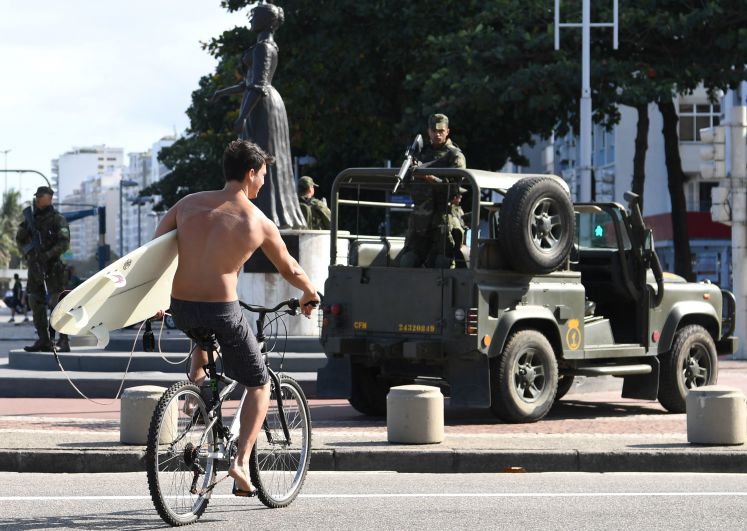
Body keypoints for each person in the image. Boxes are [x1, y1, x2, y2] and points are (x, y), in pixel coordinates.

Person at [153, 139, 320, 498]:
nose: (263, 183)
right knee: (258, 383)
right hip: (222, 311)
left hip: (182, 307)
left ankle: (197, 394)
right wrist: (309, 293)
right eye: (262, 175)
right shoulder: (256, 220)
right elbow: (289, 267)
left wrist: (154, 298)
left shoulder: (187, 204)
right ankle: (241, 463)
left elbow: (156, 250)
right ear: (249, 174)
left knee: (202, 344)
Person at [210, 2, 306, 229]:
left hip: (262, 105)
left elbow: (259, 85)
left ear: (268, 22)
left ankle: (271, 214)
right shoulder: (262, 46)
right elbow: (248, 83)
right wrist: (222, 92)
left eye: (256, 15)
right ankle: (265, 212)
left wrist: (242, 116)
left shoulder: (265, 48)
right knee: (256, 156)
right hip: (258, 103)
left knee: (260, 156)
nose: (251, 19)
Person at [400, 113, 466, 268]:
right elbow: (407, 186)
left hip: (445, 218)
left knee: (441, 264)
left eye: (441, 131)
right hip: (421, 218)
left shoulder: (454, 155)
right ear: (428, 131)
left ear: (447, 131)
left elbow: (456, 187)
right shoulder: (420, 153)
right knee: (408, 261)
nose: (437, 134)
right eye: (434, 131)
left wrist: (431, 179)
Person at [15, 186, 70, 352]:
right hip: (35, 267)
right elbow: (20, 239)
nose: (38, 199)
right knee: (35, 301)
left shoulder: (57, 219)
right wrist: (30, 253)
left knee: (58, 303)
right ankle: (43, 340)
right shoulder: (30, 219)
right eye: (37, 197)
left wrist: (47, 255)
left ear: (50, 198)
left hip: (53, 267)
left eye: (41, 196)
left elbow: (64, 242)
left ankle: (64, 340)